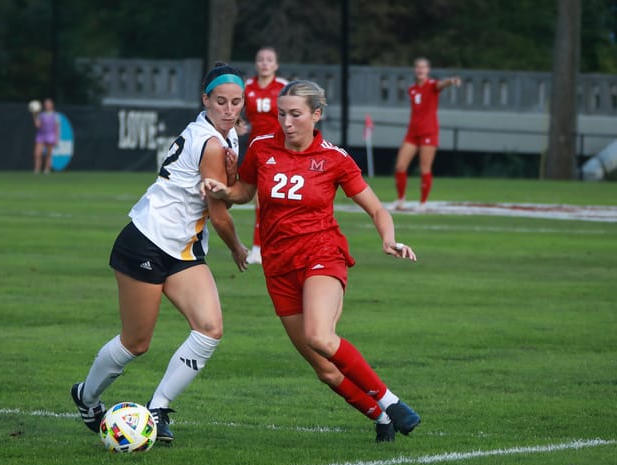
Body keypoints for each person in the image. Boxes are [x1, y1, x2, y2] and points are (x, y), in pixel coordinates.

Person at [204, 80, 420, 443]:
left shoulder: (335, 158)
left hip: (322, 254)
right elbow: (245, 192)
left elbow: (376, 208)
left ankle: (391, 400)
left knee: (319, 336)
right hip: (278, 265)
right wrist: (226, 191)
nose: (286, 122)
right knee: (324, 369)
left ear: (316, 115)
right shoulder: (261, 147)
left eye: (295, 114)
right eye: (281, 114)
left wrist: (388, 239)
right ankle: (381, 416)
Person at [71, 63, 249, 443]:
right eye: (221, 102)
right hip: (147, 240)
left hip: (182, 248)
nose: (229, 110)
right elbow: (219, 216)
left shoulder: (229, 136)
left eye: (236, 102)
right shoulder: (213, 143)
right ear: (205, 100)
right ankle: (86, 397)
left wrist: (230, 182)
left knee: (209, 329)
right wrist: (237, 247)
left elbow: (221, 200)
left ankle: (158, 408)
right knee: (136, 342)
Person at [393, 58, 461, 211]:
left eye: (423, 67)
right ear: (414, 70)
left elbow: (441, 85)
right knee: (400, 166)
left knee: (425, 168)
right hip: (412, 132)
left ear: (428, 70)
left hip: (428, 132)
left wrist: (451, 81)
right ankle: (400, 200)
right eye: (418, 67)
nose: (420, 70)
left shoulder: (432, 85)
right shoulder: (411, 89)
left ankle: (423, 203)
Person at [241, 47, 288, 265]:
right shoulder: (247, 87)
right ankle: (259, 248)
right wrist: (237, 124)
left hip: (280, 148)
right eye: (260, 59)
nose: (264, 63)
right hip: (256, 149)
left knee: (278, 198)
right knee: (260, 200)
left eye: (269, 60)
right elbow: (236, 112)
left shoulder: (283, 87)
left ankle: (267, 247)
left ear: (276, 65)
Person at [33, 98, 60, 174]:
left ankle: (47, 169)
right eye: (46, 104)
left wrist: (57, 139)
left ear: (52, 105)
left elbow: (57, 128)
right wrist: (34, 115)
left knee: (48, 154)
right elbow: (37, 125)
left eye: (49, 104)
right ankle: (37, 169)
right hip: (41, 135)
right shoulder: (41, 115)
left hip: (51, 135)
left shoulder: (56, 115)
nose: (47, 105)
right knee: (37, 153)